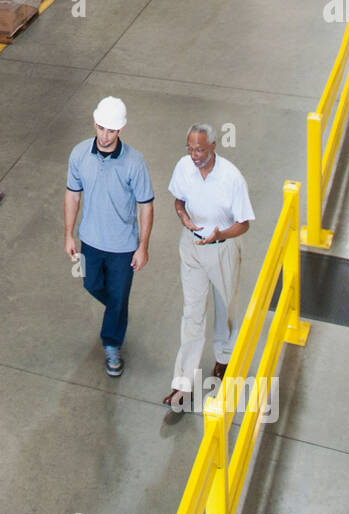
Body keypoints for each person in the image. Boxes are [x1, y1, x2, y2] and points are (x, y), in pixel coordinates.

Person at [163, 124, 254, 411]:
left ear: (214, 146)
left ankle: (224, 357)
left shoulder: (231, 178)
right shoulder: (183, 167)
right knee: (192, 311)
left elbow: (243, 224)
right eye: (190, 149)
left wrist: (220, 235)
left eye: (200, 149)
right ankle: (182, 383)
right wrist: (182, 216)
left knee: (225, 307)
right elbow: (179, 200)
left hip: (222, 249)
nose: (194, 155)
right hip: (191, 247)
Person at [64, 97, 154, 378]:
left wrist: (143, 246)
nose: (104, 136)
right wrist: (68, 234)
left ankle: (112, 343)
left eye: (111, 131)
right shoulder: (79, 155)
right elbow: (72, 194)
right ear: (94, 122)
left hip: (123, 246)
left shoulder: (134, 162)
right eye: (101, 128)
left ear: (121, 130)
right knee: (91, 284)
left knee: (117, 296)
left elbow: (146, 204)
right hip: (90, 240)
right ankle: (117, 310)